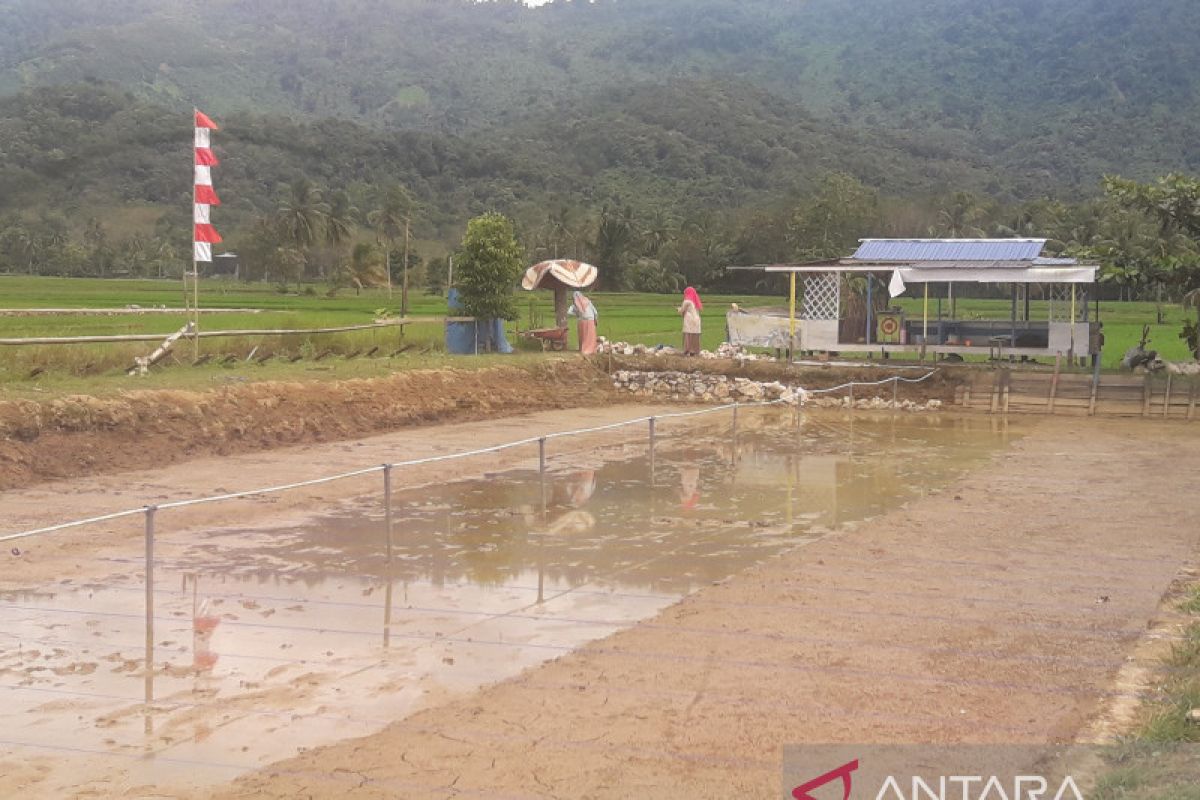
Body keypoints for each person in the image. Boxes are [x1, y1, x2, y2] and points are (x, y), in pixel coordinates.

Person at [677, 286, 703, 356]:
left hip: (689, 319)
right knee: (695, 335)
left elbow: (682, 310)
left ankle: (686, 350)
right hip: (696, 320)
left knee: (688, 335)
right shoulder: (695, 300)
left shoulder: (687, 301)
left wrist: (678, 310)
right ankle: (694, 351)